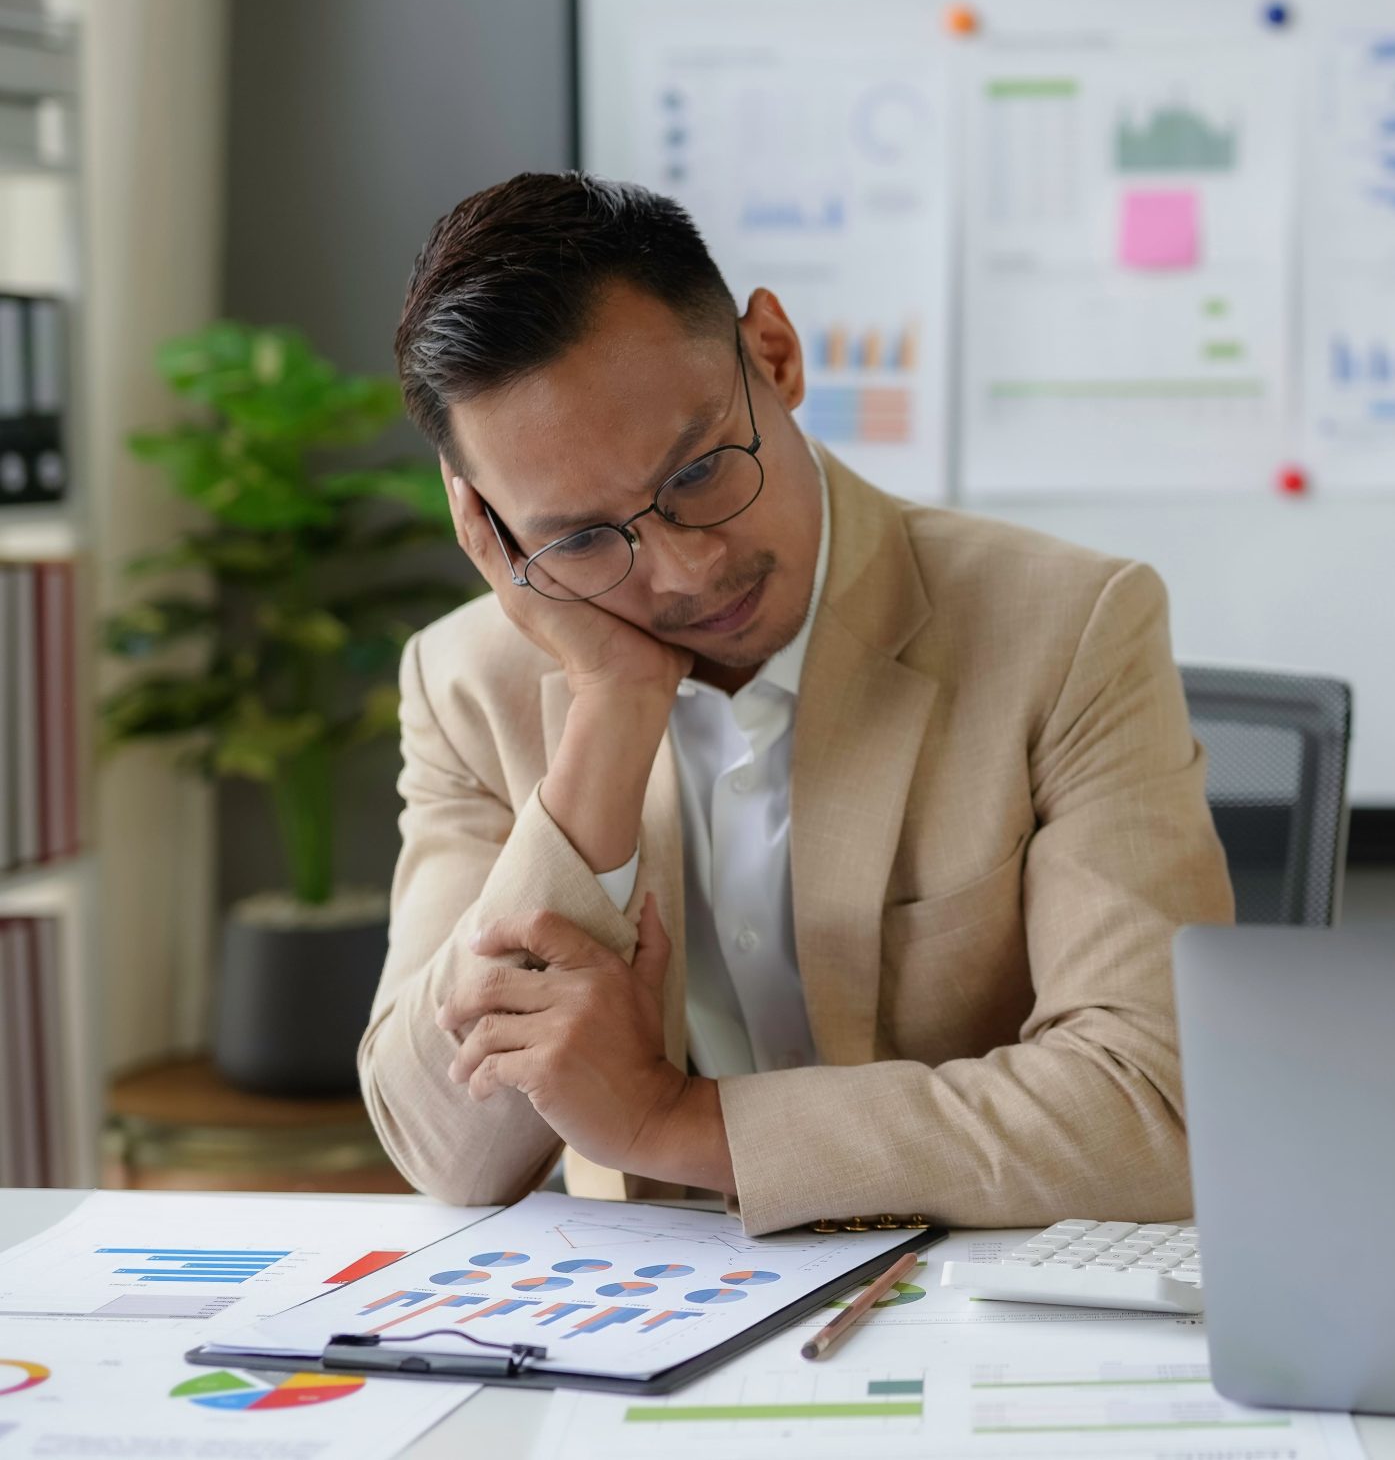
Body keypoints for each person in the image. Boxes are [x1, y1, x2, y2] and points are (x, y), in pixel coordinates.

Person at [360, 173, 1233, 1234]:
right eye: (581, 537)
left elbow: (1154, 1117)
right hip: (648, 1339)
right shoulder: (467, 685)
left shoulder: (1067, 627)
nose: (681, 572)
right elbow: (441, 1147)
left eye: (696, 474)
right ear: (491, 530)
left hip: (974, 1322)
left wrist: (675, 1122)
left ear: (773, 354)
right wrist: (609, 707)